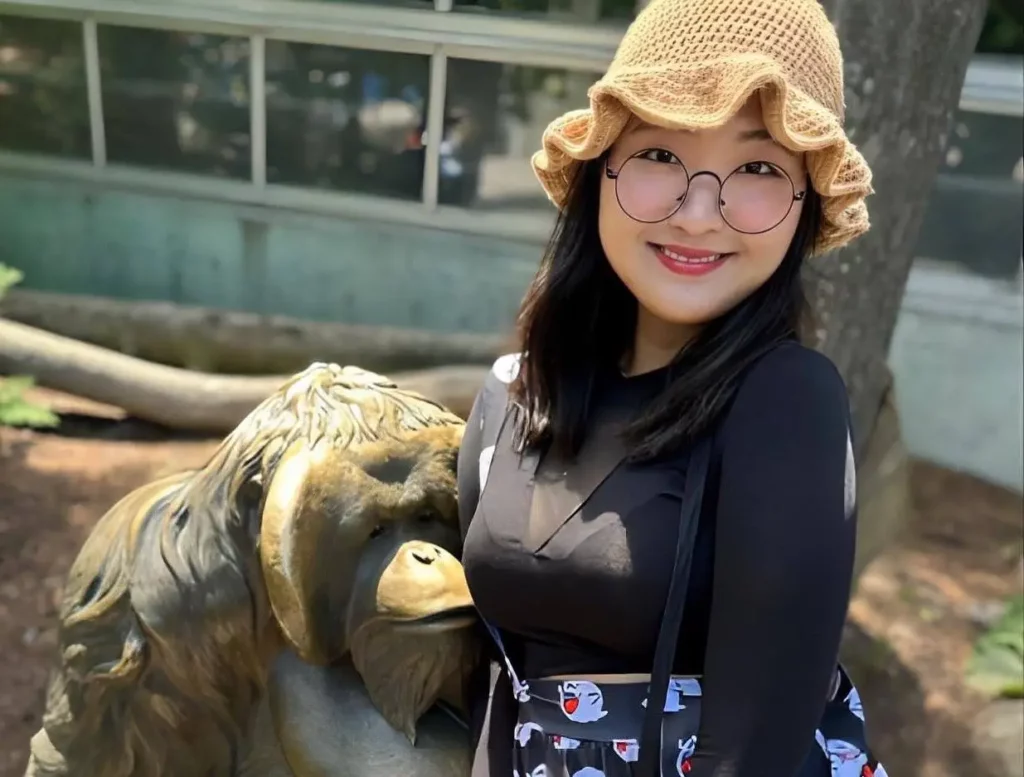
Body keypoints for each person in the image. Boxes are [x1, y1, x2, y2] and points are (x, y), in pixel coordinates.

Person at [455, 0, 886, 775]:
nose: (697, 213)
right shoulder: (512, 396)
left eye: (758, 169)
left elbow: (750, 758)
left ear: (805, 203)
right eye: (660, 153)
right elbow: (494, 680)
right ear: (602, 166)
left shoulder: (788, 402)